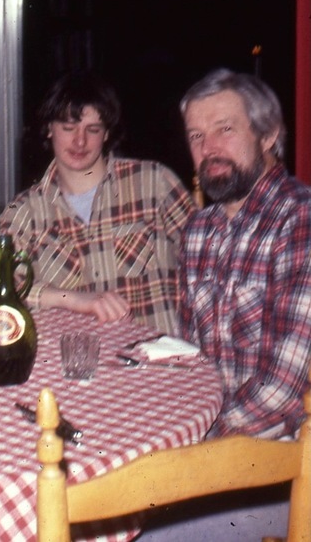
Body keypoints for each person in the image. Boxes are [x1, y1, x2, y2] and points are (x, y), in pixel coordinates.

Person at [137, 68, 311, 541]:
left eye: (225, 129)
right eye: (196, 135)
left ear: (269, 134)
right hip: (214, 453)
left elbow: (284, 387)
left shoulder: (299, 220)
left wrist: (192, 443)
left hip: (284, 466)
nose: (208, 148)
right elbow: (193, 361)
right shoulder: (199, 231)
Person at [0, 70, 195, 335]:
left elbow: (207, 259)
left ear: (107, 133)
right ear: (49, 129)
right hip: (75, 357)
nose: (80, 141)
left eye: (93, 129)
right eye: (68, 128)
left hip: (159, 355)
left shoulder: (154, 183)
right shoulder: (25, 211)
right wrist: (71, 299)